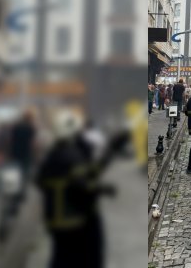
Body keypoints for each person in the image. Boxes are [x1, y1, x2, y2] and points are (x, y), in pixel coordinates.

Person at [35, 109, 127, 268]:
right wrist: (103, 189)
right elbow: (84, 184)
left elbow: (88, 174)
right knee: (79, 260)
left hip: (56, 223)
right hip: (74, 222)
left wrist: (110, 152)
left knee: (61, 258)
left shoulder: (53, 156)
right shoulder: (71, 155)